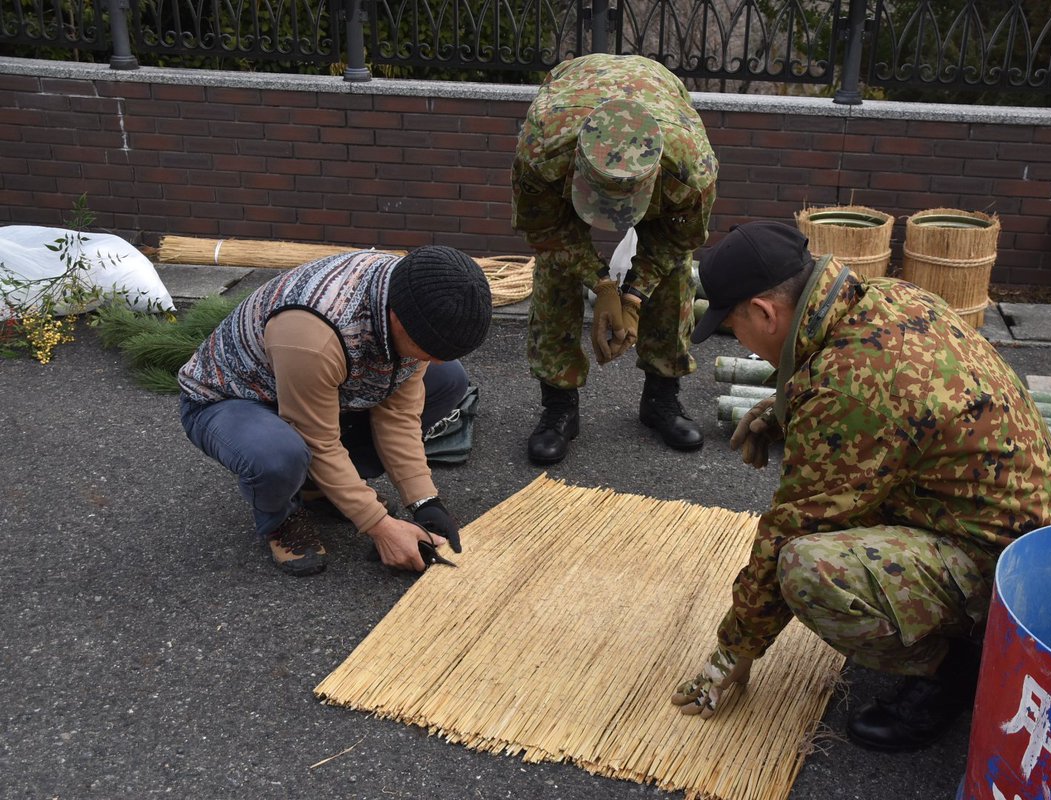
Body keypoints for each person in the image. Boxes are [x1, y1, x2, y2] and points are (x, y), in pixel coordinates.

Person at [670, 221, 1051, 751]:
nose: (737, 338)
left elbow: (792, 527)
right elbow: (878, 396)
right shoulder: (885, 297)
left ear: (766, 313)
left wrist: (734, 650)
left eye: (733, 325)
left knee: (807, 568)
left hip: (1009, 580)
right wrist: (786, 409)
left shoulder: (847, 389)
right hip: (1030, 534)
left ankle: (957, 669)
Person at [177, 247, 493, 577]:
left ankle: (318, 486)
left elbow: (398, 414)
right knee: (279, 454)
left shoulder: (413, 295)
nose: (435, 359)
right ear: (399, 321)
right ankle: (282, 517)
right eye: (429, 350)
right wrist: (379, 526)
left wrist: (424, 500)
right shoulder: (313, 333)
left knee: (447, 378)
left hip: (314, 388)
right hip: (231, 400)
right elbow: (319, 440)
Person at [511, 53, 719, 464]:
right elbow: (547, 233)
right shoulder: (541, 151)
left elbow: (676, 242)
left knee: (676, 272)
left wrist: (635, 298)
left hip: (660, 96)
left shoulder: (691, 169)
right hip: (573, 99)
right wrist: (603, 286)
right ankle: (559, 405)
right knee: (555, 270)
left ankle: (661, 398)